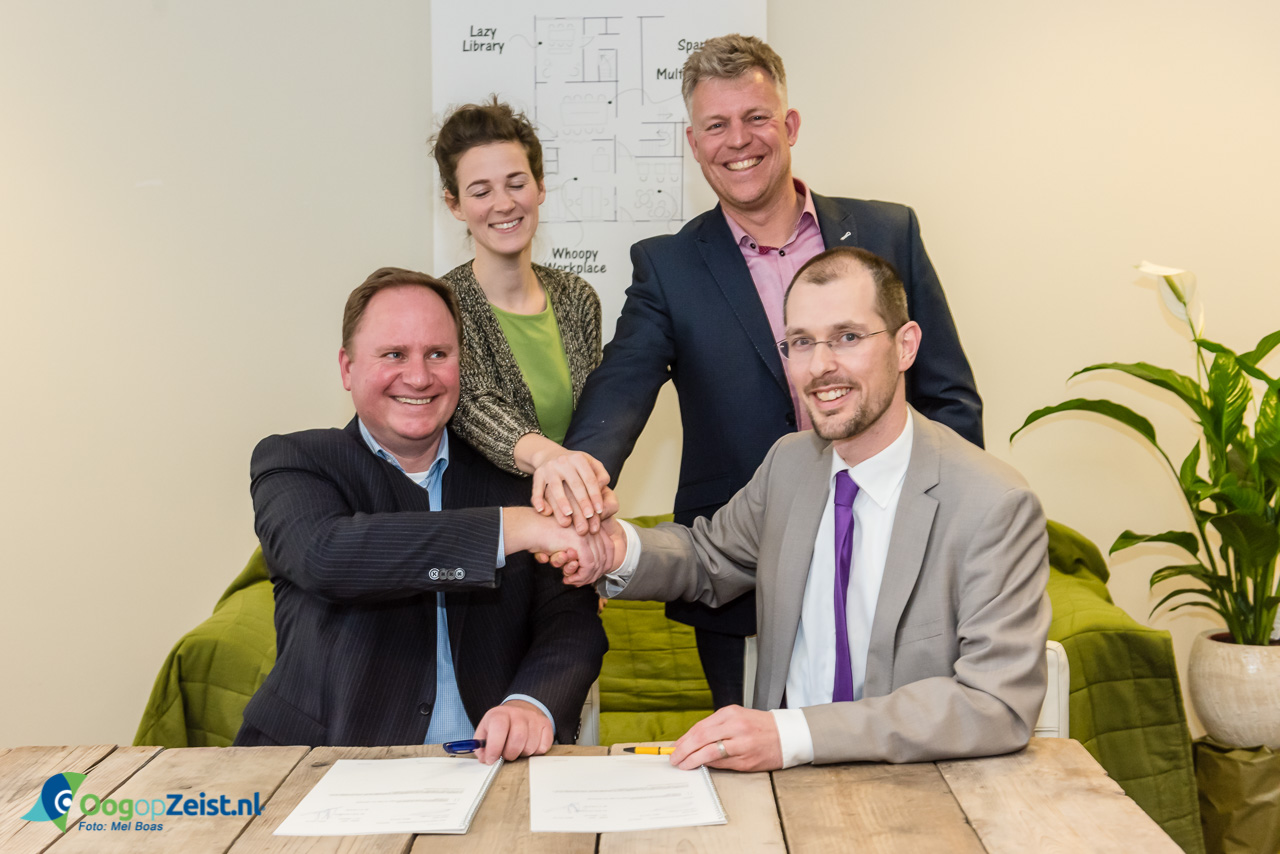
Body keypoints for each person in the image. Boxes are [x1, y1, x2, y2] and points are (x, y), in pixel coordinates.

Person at [562, 35, 985, 709]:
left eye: (756, 118)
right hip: (740, 571)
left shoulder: (888, 232)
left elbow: (949, 396)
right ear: (694, 143)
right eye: (716, 125)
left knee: (902, 745)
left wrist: (944, 527)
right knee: (753, 759)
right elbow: (623, 384)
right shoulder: (669, 267)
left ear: (789, 125)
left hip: (891, 546)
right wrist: (578, 481)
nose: (738, 140)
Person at [565, 247, 1048, 771]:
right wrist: (616, 549)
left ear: (905, 346)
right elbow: (708, 557)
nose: (820, 367)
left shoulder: (993, 504)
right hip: (779, 789)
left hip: (917, 790)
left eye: (848, 337)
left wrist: (792, 734)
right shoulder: (790, 463)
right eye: (801, 342)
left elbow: (995, 704)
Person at [235, 268, 609, 764]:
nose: (418, 376)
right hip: (322, 763)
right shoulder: (296, 461)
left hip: (493, 764)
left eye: (438, 354)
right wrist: (516, 527)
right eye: (394, 354)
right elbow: (327, 556)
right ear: (347, 368)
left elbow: (571, 621)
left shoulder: (516, 478)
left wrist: (530, 703)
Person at [431, 98, 610, 534]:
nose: (504, 203)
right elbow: (475, 406)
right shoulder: (440, 305)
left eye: (516, 183)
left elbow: (592, 422)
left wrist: (583, 511)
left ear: (540, 187)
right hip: (486, 534)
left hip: (571, 528)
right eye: (481, 192)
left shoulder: (578, 298)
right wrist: (553, 460)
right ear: (455, 204)